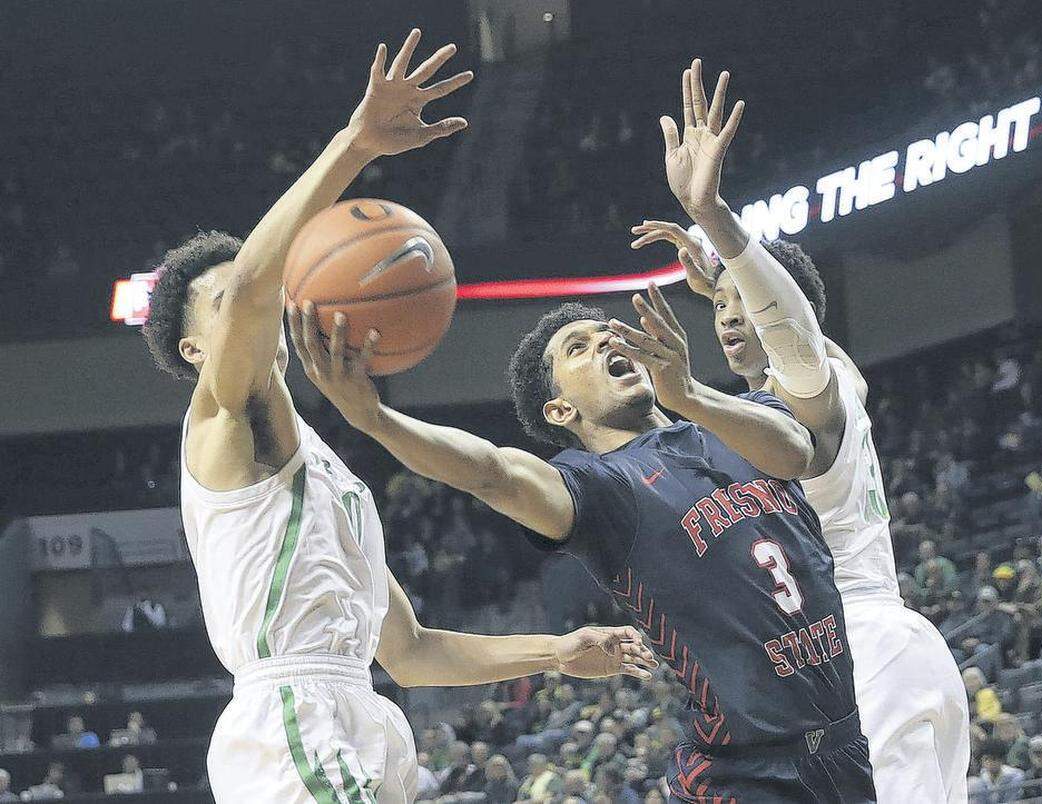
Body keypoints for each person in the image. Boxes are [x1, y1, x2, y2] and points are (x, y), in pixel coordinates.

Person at [291, 62, 875, 804]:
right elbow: (491, 472)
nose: (606, 343)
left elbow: (812, 378)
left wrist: (721, 242)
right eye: (578, 350)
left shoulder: (737, 421)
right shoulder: (597, 489)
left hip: (847, 746)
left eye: (607, 332)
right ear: (561, 412)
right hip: (744, 772)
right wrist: (373, 417)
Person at [140, 30, 653, 803]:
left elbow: (410, 652)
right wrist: (355, 144)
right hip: (291, 714)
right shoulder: (220, 421)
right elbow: (252, 280)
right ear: (190, 346)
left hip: (363, 710)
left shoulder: (329, 471)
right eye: (227, 300)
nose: (264, 295)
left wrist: (557, 649)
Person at [627, 59, 969, 803]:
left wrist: (715, 217)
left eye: (739, 306)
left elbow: (790, 331)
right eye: (717, 310)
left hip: (864, 652)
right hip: (886, 654)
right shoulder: (829, 385)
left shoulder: (807, 387)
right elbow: (785, 324)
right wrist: (718, 278)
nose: (724, 317)